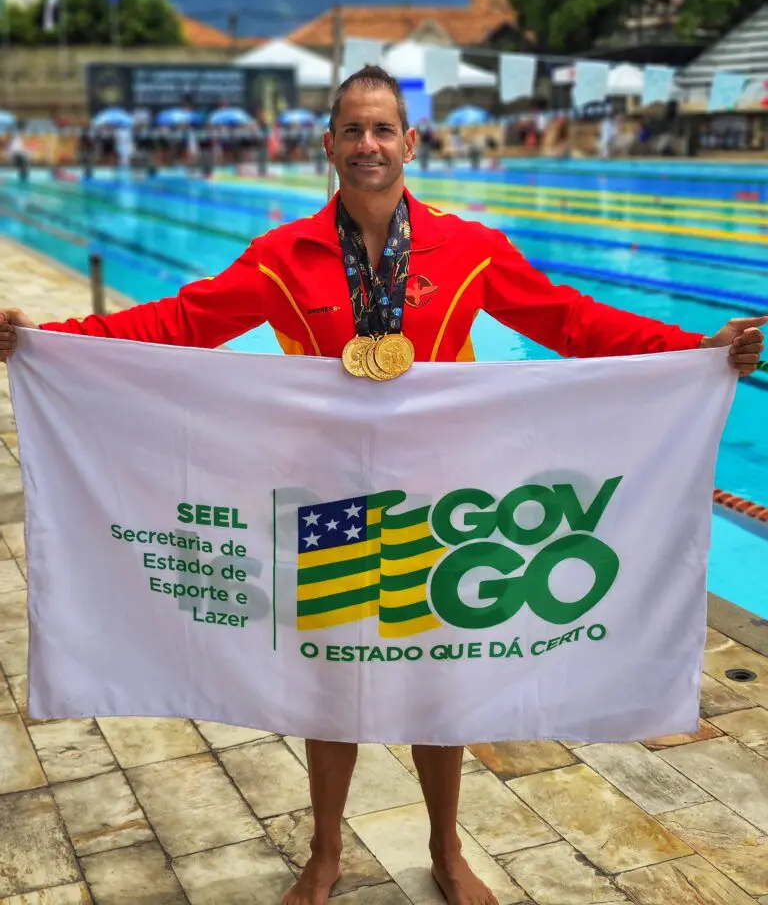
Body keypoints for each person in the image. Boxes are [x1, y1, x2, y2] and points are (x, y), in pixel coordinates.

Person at [0, 65, 765, 905]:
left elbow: (566, 319)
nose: (369, 145)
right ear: (328, 147)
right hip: (325, 500)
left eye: (383, 129)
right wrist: (52, 338)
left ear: (410, 142)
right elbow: (179, 322)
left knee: (439, 677)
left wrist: (690, 349)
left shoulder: (468, 247)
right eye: (353, 131)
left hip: (441, 499)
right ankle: (325, 853)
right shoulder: (284, 256)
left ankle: (446, 850)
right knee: (333, 677)